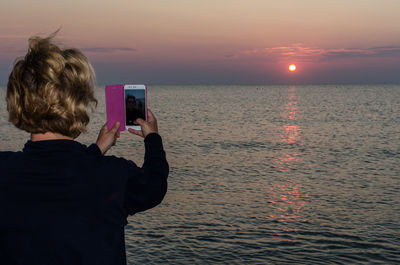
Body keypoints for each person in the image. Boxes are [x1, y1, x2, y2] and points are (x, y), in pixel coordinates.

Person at [0, 33, 169, 265]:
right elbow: (154, 187)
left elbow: (57, 177)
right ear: (80, 105)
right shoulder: (114, 176)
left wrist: (95, 152)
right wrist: (153, 139)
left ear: (18, 102)